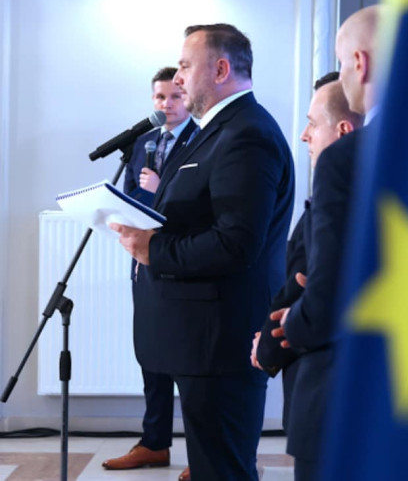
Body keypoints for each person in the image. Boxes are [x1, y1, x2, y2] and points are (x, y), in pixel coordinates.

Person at [111, 24, 294, 481]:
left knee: (223, 472)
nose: (177, 79)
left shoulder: (247, 134)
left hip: (220, 344)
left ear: (220, 69)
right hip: (200, 341)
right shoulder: (213, 131)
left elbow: (236, 242)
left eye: (185, 67)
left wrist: (155, 249)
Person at [269, 5, 380, 481]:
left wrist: (290, 325)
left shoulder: (346, 158)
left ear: (359, 62)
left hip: (341, 385)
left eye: (340, 62)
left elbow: (328, 290)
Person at [251, 72, 363, 431]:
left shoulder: (340, 195)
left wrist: (267, 347)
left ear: (343, 131)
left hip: (322, 376)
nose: (304, 135)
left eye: (312, 123)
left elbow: (309, 285)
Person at [103, 67, 196, 474]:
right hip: (143, 261)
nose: (167, 104)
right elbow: (129, 195)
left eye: (175, 96)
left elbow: (197, 205)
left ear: (187, 98)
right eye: (160, 97)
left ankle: (203, 452)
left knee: (189, 361)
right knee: (151, 351)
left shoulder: (203, 140)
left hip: (183, 259)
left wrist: (161, 189)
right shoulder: (142, 142)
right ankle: (154, 442)